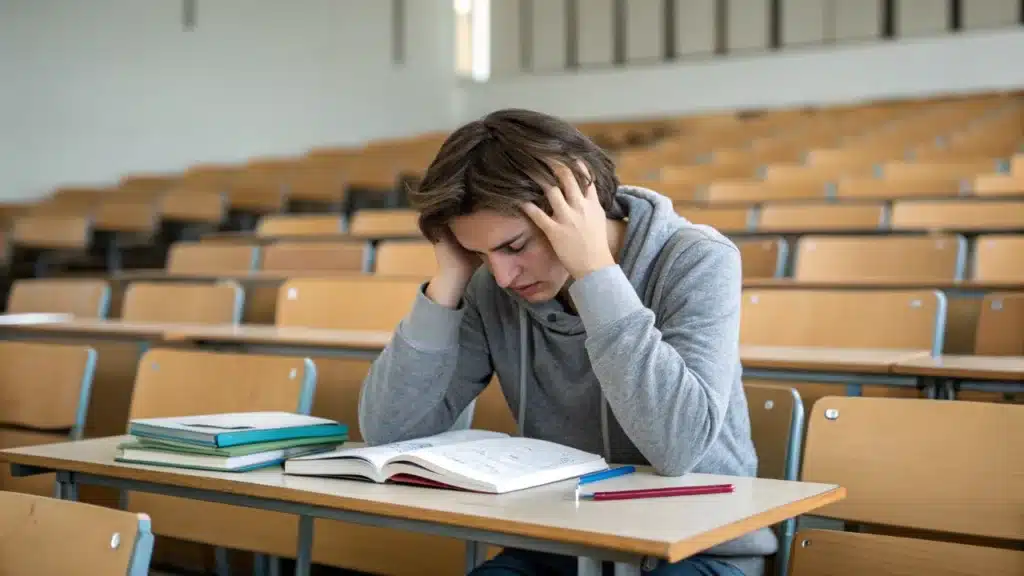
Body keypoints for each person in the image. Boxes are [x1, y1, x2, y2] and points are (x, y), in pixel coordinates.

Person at [358, 109, 776, 576]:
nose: (501, 275)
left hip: (696, 547)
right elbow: (390, 432)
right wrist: (451, 278)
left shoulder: (697, 259)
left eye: (515, 247)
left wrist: (594, 273)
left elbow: (678, 448)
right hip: (559, 541)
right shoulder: (488, 284)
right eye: (479, 253)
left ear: (579, 206)